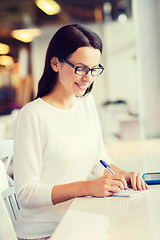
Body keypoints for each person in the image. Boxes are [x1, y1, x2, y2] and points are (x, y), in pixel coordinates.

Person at [13, 24, 148, 240]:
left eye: (94, 69)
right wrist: (87, 187)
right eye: (81, 68)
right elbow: (25, 194)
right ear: (55, 63)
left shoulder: (86, 103)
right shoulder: (33, 114)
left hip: (80, 221)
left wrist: (120, 175)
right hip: (45, 233)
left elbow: (99, 159)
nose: (88, 78)